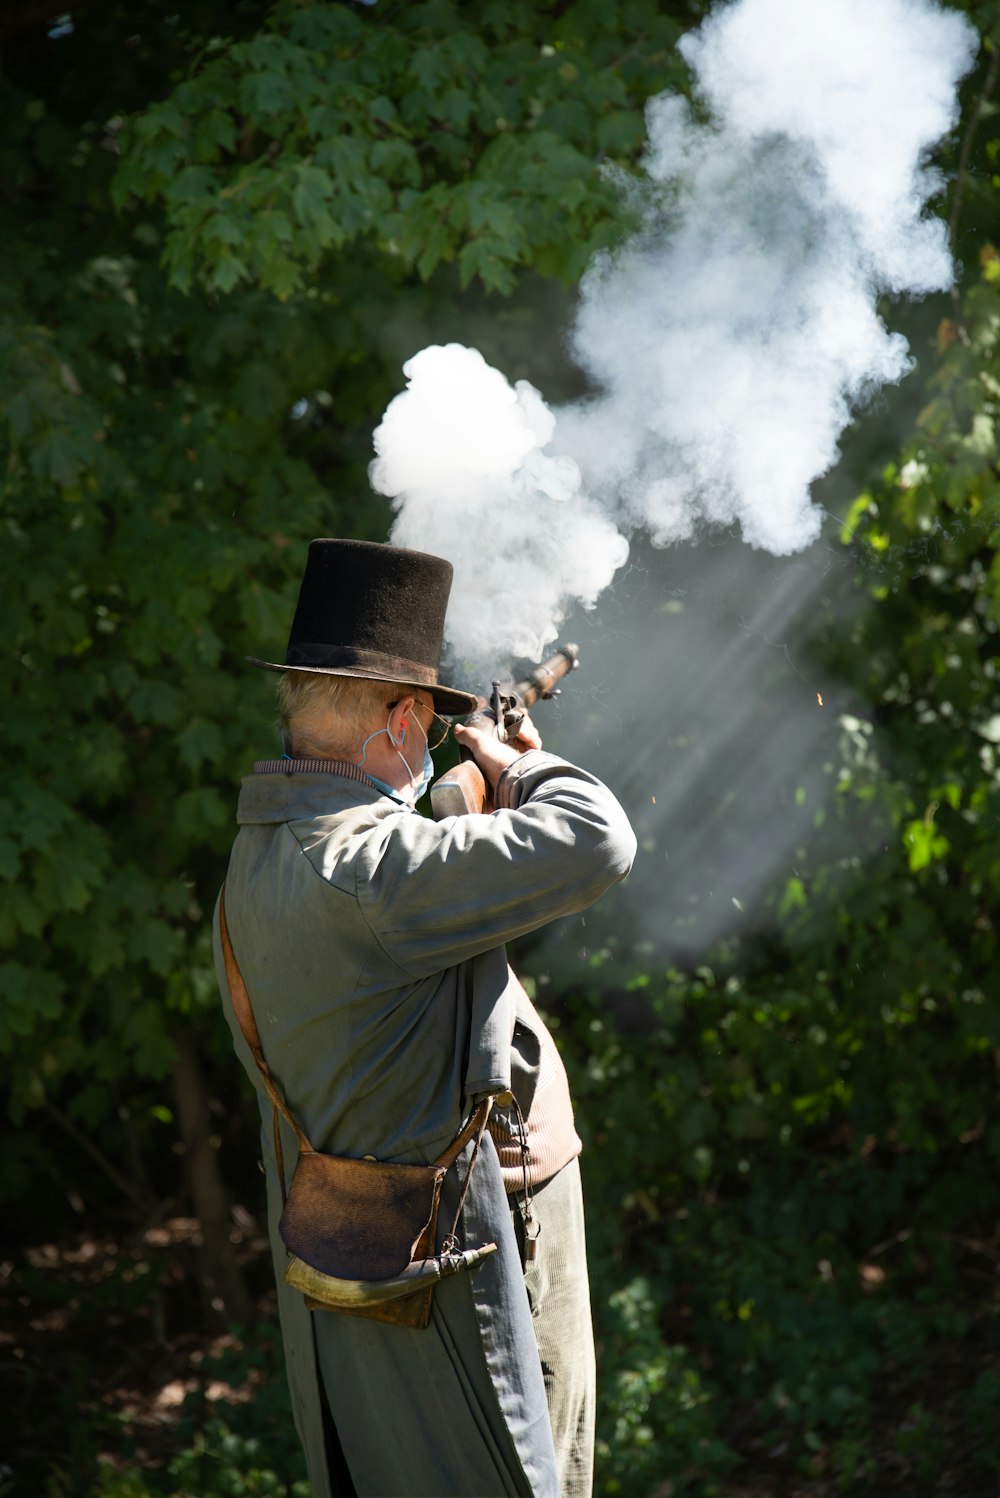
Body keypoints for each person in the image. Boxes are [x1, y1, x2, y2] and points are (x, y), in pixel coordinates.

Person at [213, 538, 636, 1497]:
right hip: (473, 1264)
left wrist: (456, 799)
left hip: (359, 1268)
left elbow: (388, 916)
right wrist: (514, 764)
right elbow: (598, 838)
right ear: (404, 715)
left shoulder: (263, 853)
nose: (439, 740)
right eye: (434, 723)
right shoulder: (376, 876)